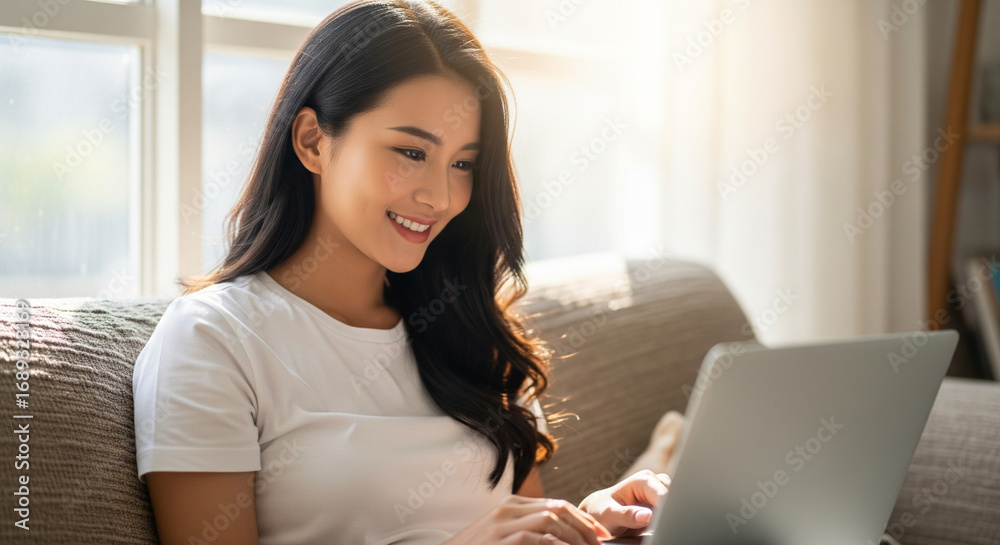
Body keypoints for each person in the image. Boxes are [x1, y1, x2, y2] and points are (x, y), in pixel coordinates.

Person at [131, 1, 670, 544]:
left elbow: (522, 524)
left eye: (463, 164)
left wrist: (588, 525)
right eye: (411, 152)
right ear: (313, 141)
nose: (439, 195)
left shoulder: (469, 330)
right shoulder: (213, 340)